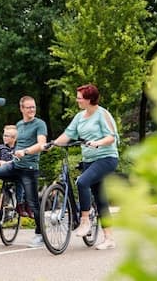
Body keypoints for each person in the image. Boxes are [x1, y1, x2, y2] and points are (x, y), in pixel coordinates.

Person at [49, 84, 119, 250]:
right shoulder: (80, 116)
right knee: (100, 198)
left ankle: (85, 221)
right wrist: (52, 144)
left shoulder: (103, 114)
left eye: (79, 97)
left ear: (89, 99)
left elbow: (111, 137)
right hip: (89, 160)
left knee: (82, 182)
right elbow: (68, 134)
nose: (77, 99)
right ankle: (109, 239)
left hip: (106, 158)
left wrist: (97, 142)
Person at [0, 96, 47, 247]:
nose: (31, 110)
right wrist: (11, 153)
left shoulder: (40, 124)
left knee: (33, 204)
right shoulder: (19, 125)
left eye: (33, 107)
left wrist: (25, 151)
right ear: (21, 109)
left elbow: (41, 144)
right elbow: (16, 142)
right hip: (15, 165)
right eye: (28, 107)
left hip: (29, 169)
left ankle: (40, 234)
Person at [0, 125, 31, 218]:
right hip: (3, 171)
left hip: (14, 172)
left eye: (7, 136)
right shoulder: (1, 147)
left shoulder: (18, 148)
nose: (4, 137)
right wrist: (1, 162)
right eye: (4, 135)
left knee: (22, 180)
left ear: (13, 138)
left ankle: (21, 204)